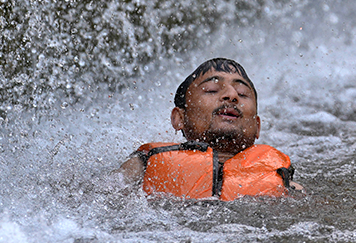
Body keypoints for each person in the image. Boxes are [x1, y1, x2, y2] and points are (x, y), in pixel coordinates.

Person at [120, 58, 302, 200]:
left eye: (242, 94)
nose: (231, 95)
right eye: (212, 90)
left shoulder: (279, 175)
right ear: (179, 118)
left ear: (257, 126)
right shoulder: (145, 164)